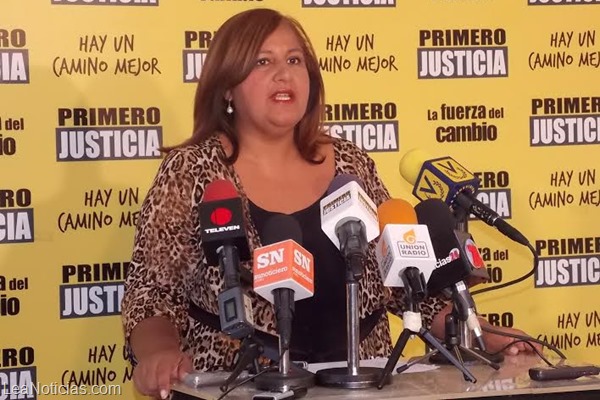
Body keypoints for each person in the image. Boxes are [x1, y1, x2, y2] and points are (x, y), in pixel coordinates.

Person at [121, 8, 540, 400]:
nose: (283, 74)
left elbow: (408, 284)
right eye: (263, 62)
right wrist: (159, 355)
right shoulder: (192, 170)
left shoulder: (350, 164)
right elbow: (152, 294)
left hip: (362, 384)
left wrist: (485, 336)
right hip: (240, 385)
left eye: (295, 60)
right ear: (227, 85)